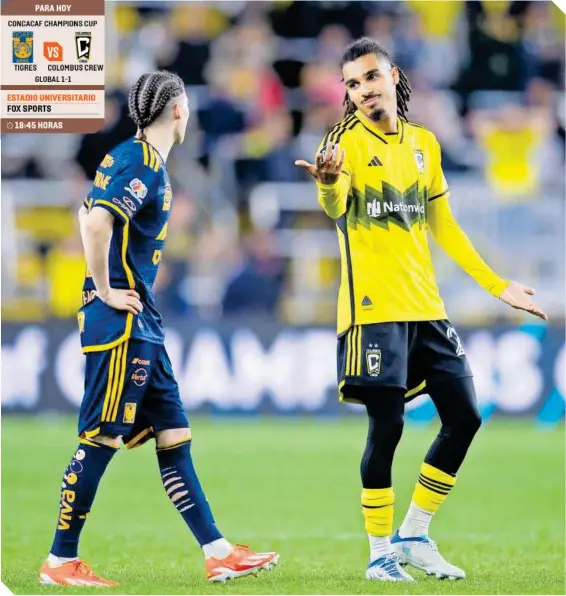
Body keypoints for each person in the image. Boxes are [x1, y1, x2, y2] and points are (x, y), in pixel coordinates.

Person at [295, 38, 547, 582]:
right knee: (386, 427)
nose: (362, 91)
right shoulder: (342, 142)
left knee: (466, 416)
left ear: (393, 76)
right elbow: (336, 207)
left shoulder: (424, 145)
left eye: (369, 78)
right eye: (352, 84)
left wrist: (496, 285)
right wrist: (329, 183)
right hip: (372, 309)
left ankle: (414, 533)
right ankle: (378, 553)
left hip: (426, 305)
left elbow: (444, 226)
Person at [39, 70, 279, 587]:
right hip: (122, 321)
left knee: (174, 435)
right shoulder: (141, 161)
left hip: (143, 320)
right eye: (187, 104)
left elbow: (91, 210)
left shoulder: (140, 159)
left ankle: (217, 551)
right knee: (100, 436)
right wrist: (102, 288)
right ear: (177, 109)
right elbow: (93, 220)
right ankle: (60, 560)